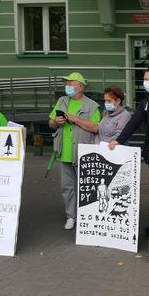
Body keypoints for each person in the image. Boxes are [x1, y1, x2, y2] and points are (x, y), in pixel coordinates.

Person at [48, 72, 101, 230]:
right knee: (67, 188)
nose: (67, 87)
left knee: (85, 186)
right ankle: (71, 216)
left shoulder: (92, 106)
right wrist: (55, 122)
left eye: (71, 84)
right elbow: (50, 123)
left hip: (83, 152)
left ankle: (86, 216)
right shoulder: (61, 101)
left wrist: (75, 119)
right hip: (64, 152)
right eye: (67, 84)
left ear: (80, 87)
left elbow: (96, 127)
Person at [109, 68, 149, 161]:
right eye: (144, 79)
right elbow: (133, 122)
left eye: (147, 80)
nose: (144, 82)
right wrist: (119, 140)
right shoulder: (145, 102)